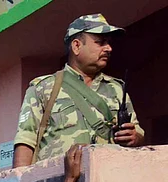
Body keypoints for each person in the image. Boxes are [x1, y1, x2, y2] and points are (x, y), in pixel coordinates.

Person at [13, 14, 142, 167]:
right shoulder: (43, 88)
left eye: (108, 43)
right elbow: (26, 141)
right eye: (100, 42)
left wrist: (135, 137)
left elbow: (138, 133)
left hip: (106, 180)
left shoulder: (117, 89)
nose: (108, 48)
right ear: (76, 46)